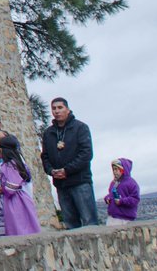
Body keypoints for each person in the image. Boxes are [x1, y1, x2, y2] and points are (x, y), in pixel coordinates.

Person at [40, 96, 98, 229]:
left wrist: (67, 170)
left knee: (90, 223)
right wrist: (51, 171)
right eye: (54, 108)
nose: (57, 111)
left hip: (80, 182)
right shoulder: (49, 133)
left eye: (60, 108)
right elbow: (45, 156)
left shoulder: (80, 128)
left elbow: (86, 154)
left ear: (68, 109)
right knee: (70, 224)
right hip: (61, 185)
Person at [0, 134, 40, 236]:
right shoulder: (17, 163)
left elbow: (12, 186)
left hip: (15, 201)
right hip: (21, 198)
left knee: (19, 225)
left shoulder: (9, 165)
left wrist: (3, 189)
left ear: (2, 150)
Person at [104, 158, 140, 224]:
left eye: (116, 169)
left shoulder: (131, 183)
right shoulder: (114, 183)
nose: (114, 172)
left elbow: (135, 199)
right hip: (112, 217)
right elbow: (111, 194)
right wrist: (107, 198)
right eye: (113, 169)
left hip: (124, 219)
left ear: (123, 170)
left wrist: (121, 201)